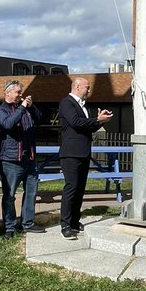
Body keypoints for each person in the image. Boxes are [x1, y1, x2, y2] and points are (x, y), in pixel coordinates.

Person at [58, 76, 114, 239]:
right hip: (71, 153)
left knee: (80, 189)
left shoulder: (84, 106)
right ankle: (65, 224)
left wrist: (100, 121)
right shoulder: (67, 103)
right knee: (71, 187)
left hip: (83, 152)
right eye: (87, 87)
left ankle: (75, 221)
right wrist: (96, 119)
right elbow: (76, 123)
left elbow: (87, 127)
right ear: (77, 87)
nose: (89, 90)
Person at [0, 79, 43, 236]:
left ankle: (27, 223)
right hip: (11, 160)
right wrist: (22, 107)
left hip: (30, 159)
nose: (21, 95)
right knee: (10, 196)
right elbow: (8, 125)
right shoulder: (0, 110)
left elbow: (40, 120)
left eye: (21, 92)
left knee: (31, 193)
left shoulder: (26, 109)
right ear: (8, 93)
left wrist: (31, 106)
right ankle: (9, 227)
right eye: (18, 92)